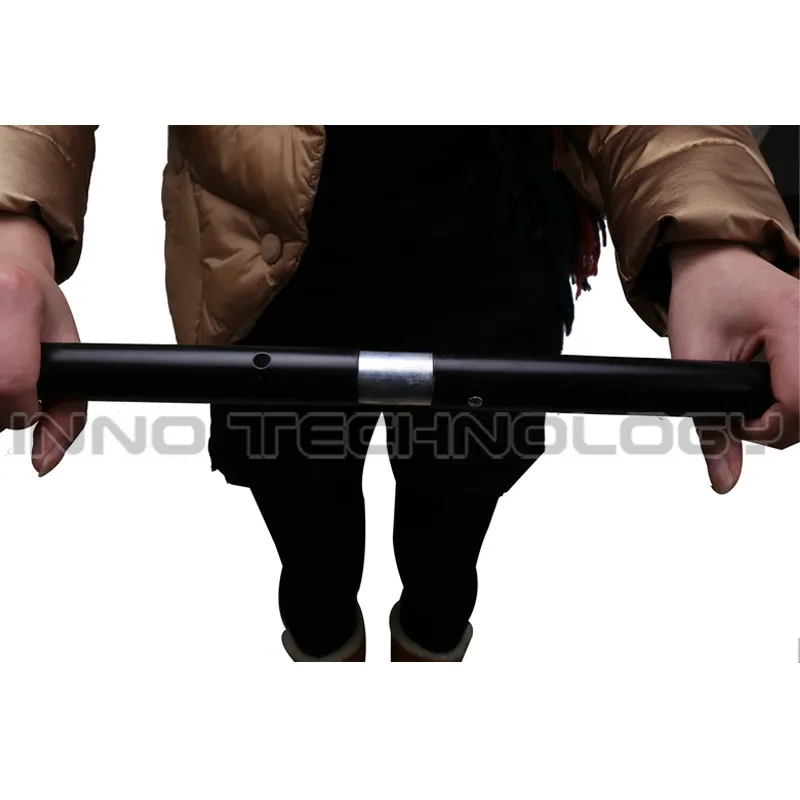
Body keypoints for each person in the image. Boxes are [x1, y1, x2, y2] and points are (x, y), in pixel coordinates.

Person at [0, 125, 797, 662]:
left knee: (448, 538)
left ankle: (429, 654)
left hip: (494, 249)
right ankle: (328, 660)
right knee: (309, 546)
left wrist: (712, 233)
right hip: (264, 276)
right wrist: (10, 220)